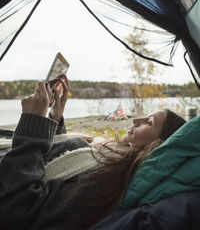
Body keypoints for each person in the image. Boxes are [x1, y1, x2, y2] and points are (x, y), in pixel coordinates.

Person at [0, 80, 186, 230]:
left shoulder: (106, 180)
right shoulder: (110, 151)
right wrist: (55, 119)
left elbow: (18, 208)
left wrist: (33, 123)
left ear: (156, 145)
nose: (136, 120)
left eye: (149, 122)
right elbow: (58, 158)